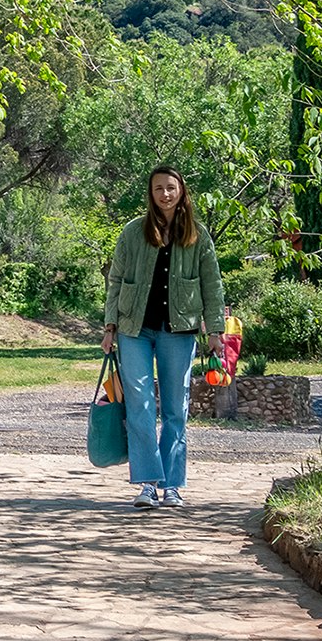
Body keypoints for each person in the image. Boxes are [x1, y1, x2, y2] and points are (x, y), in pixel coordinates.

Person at [103, 166, 224, 511]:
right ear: (151, 193)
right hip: (134, 329)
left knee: (175, 409)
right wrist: (110, 327)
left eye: (170, 188)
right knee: (139, 406)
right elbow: (116, 279)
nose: (165, 194)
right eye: (158, 188)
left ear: (181, 191)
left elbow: (212, 285)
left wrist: (215, 331)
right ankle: (147, 484)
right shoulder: (133, 231)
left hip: (180, 330)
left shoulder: (198, 235)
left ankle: (172, 486)